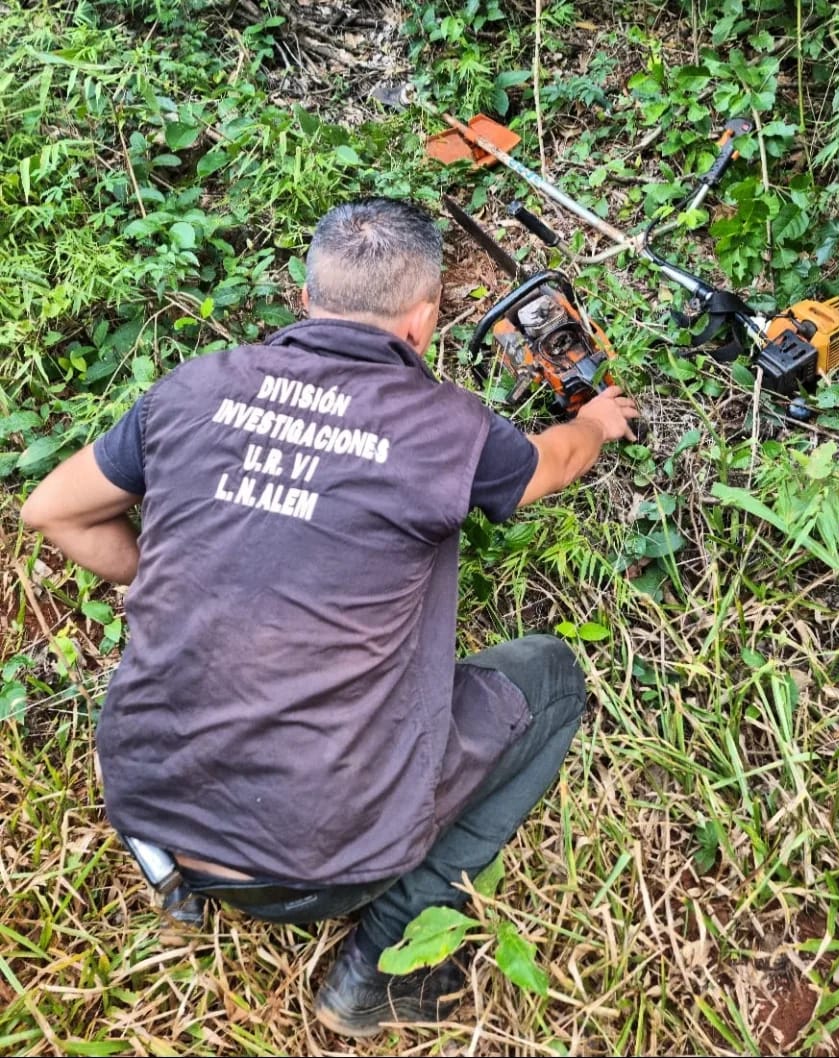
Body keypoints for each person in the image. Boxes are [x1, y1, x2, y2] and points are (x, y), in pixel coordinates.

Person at [20, 197, 639, 1039]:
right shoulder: (443, 428)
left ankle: (189, 884)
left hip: (150, 818)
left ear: (305, 298)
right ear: (424, 323)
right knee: (551, 680)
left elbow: (52, 509)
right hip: (322, 863)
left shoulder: (195, 388)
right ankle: (389, 965)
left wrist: (152, 567)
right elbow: (552, 464)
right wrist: (595, 421)